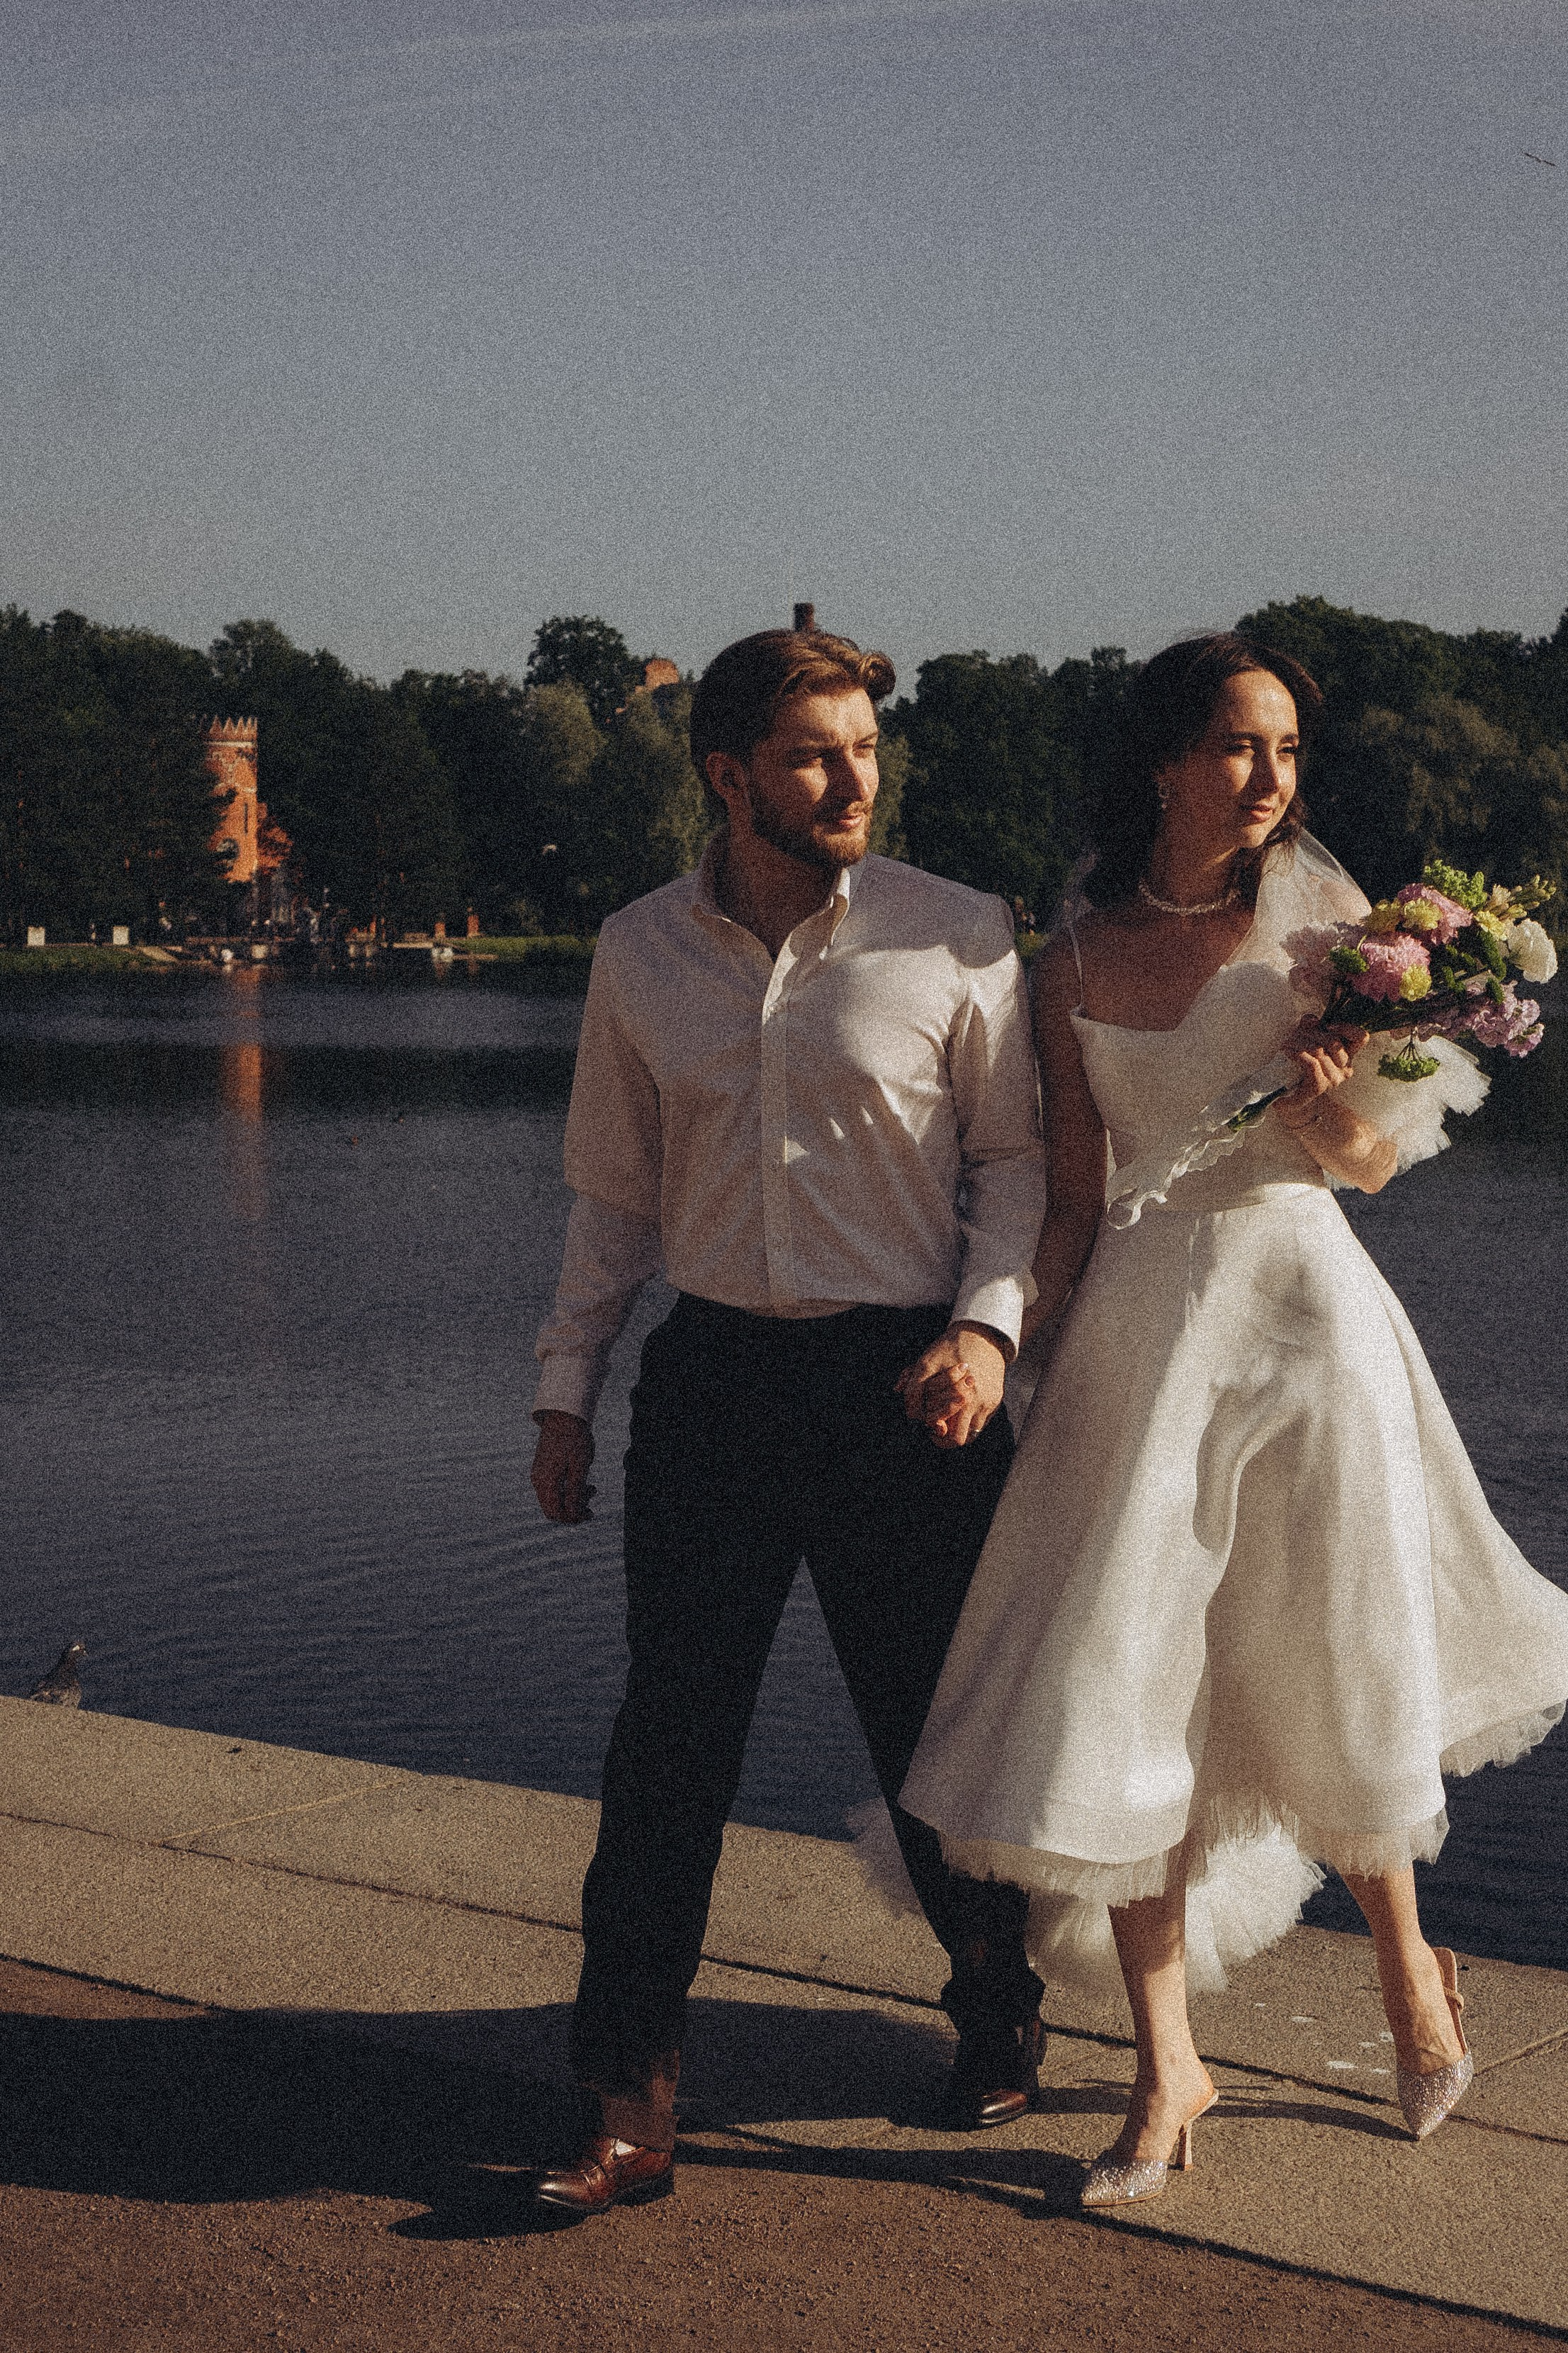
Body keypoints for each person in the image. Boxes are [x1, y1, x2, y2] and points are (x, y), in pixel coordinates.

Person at [898, 632, 1568, 2208]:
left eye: (1286, 752)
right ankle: (1167, 2061)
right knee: (1132, 1687)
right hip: (1137, 1343)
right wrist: (991, 1339)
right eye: (1241, 748)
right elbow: (1068, 1206)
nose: (1272, 779)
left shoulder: (1331, 937)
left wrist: (1322, 1079)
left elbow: (1366, 1165)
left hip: (1305, 1328)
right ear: (1164, 764)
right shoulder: (1064, 963)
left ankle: (1411, 1974)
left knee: (1330, 1648)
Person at [528, 623, 1050, 2216]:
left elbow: (1017, 1166)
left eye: (867, 754)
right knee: (669, 1747)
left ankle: (998, 2012)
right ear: (730, 772)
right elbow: (612, 1199)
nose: (853, 783)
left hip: (909, 1391)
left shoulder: (957, 938)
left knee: (931, 1741)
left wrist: (985, 1330)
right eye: (818, 756)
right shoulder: (641, 953)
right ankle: (629, 2094)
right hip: (715, 1389)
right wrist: (568, 1392)